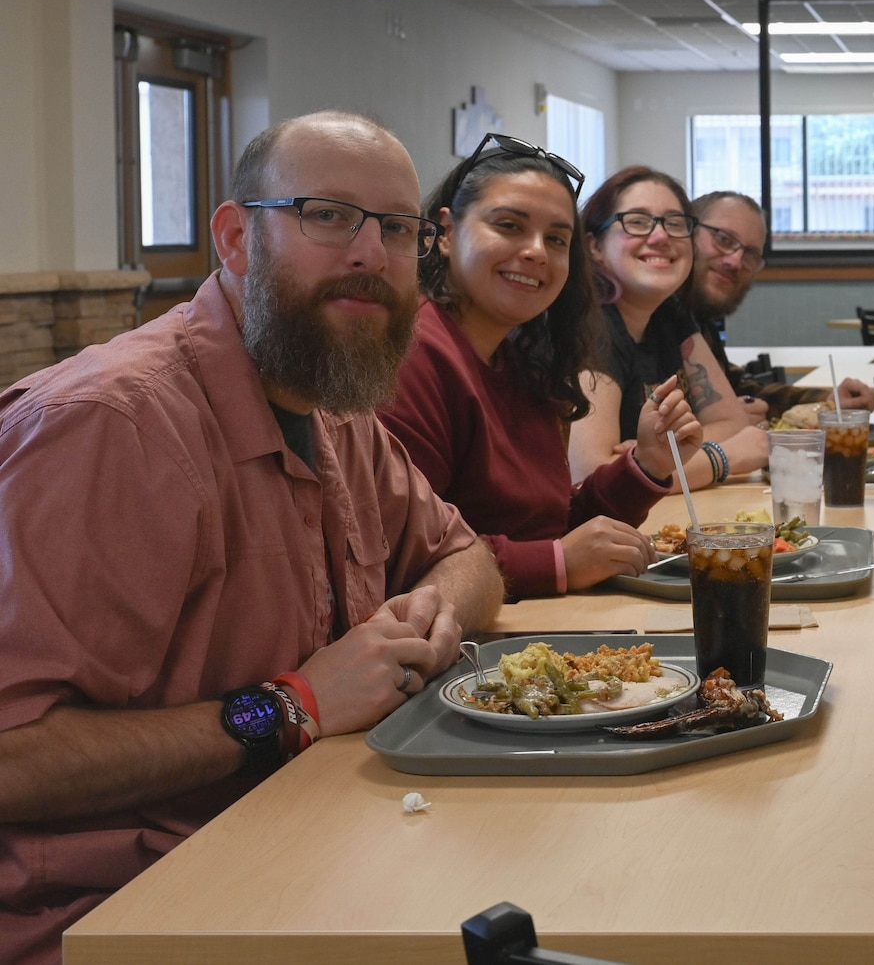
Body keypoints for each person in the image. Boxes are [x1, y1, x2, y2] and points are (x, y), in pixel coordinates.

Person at [0, 112, 505, 965]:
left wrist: (427, 620)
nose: (369, 255)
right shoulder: (109, 427)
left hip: (315, 852)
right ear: (235, 239)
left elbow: (470, 560)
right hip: (117, 919)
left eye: (396, 227)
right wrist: (288, 707)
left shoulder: (334, 404)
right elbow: (14, 755)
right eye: (327, 214)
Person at [379, 139, 702, 599]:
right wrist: (555, 563)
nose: (536, 252)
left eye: (555, 239)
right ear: (446, 232)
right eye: (509, 226)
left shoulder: (516, 358)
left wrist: (645, 465)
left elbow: (545, 524)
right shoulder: (413, 355)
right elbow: (407, 553)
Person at [560, 170, 773, 490]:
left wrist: (649, 457)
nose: (660, 237)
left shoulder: (668, 313)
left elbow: (733, 421)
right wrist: (720, 458)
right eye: (637, 221)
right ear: (595, 247)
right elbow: (591, 476)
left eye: (674, 223)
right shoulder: (590, 322)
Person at [683, 189, 871, 418]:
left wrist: (828, 400)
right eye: (723, 239)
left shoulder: (698, 320)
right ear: (685, 230)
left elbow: (734, 389)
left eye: (750, 254)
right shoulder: (652, 317)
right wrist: (718, 426)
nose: (735, 261)